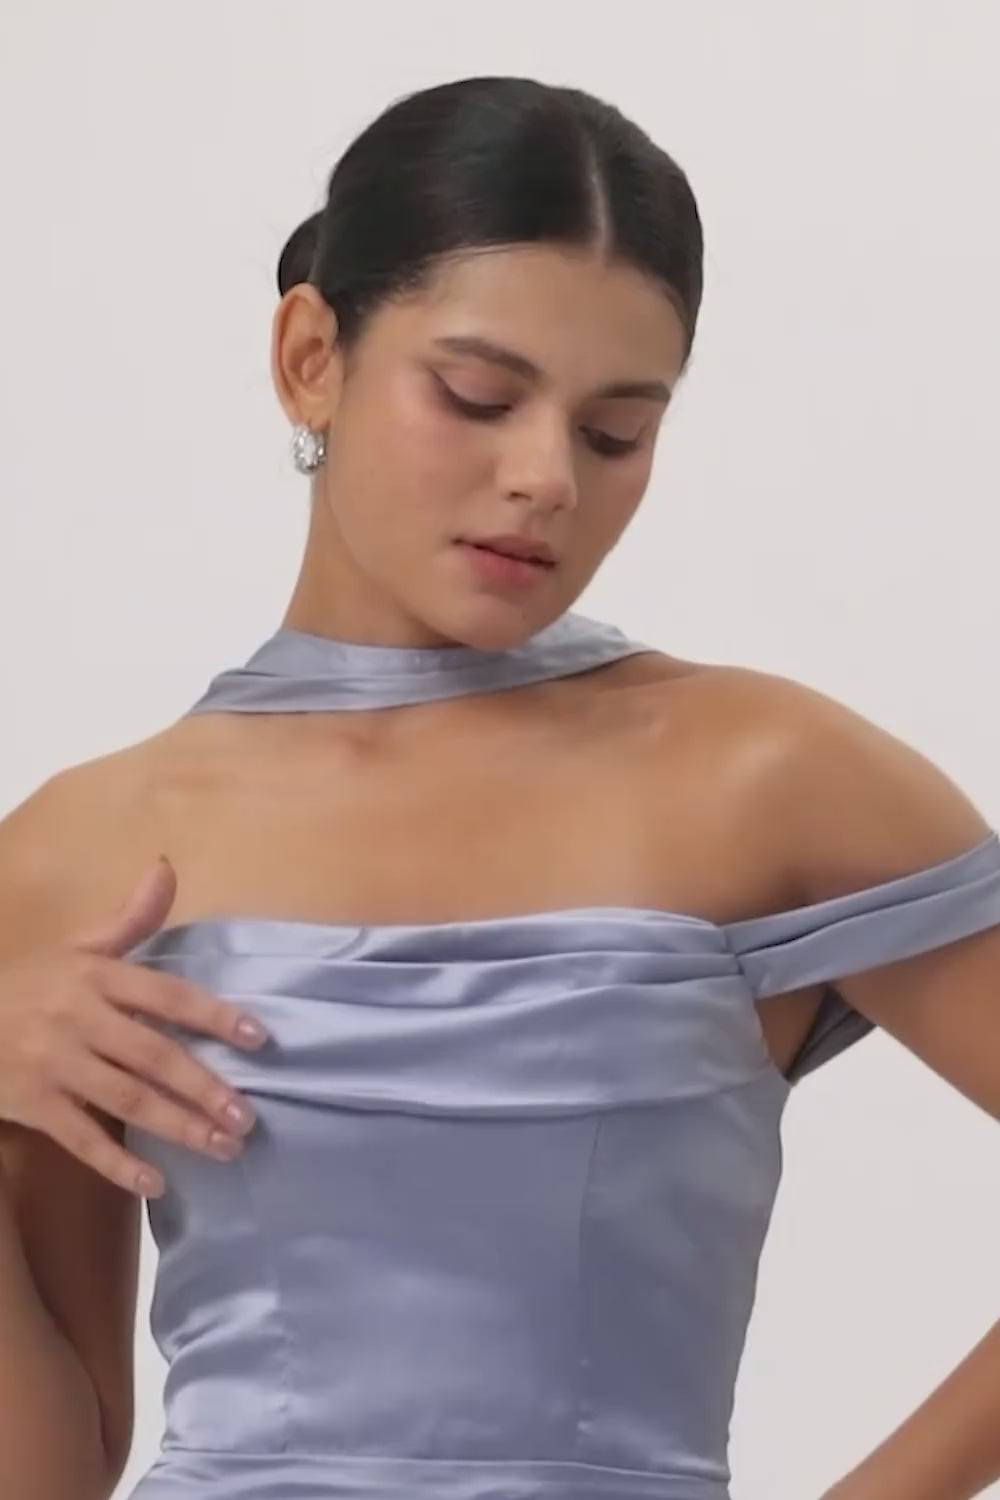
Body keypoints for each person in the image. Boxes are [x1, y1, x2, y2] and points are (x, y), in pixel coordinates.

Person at [0, 73, 997, 1500]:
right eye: (478, 396)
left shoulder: (764, 779)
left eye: (614, 432)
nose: (547, 479)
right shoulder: (72, 852)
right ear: (310, 358)